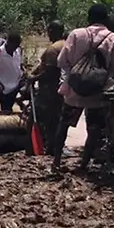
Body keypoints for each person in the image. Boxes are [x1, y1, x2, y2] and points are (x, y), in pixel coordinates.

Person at [52, 4, 114, 172]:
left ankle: (56, 162)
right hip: (98, 93)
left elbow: (61, 61)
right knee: (94, 129)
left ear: (88, 18)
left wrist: (74, 71)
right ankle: (83, 164)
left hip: (74, 90)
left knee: (64, 124)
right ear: (106, 19)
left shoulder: (76, 34)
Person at [29, 21, 67, 154]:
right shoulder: (66, 45)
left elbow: (50, 72)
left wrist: (34, 78)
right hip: (63, 89)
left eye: (49, 31)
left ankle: (40, 147)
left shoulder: (52, 49)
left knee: (40, 118)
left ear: (52, 31)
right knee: (56, 119)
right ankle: (55, 146)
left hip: (49, 90)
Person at [0, 31, 24, 113]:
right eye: (15, 45)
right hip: (4, 87)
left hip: (17, 84)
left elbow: (20, 64)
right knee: (6, 109)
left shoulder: (18, 50)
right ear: (9, 42)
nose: (16, 47)